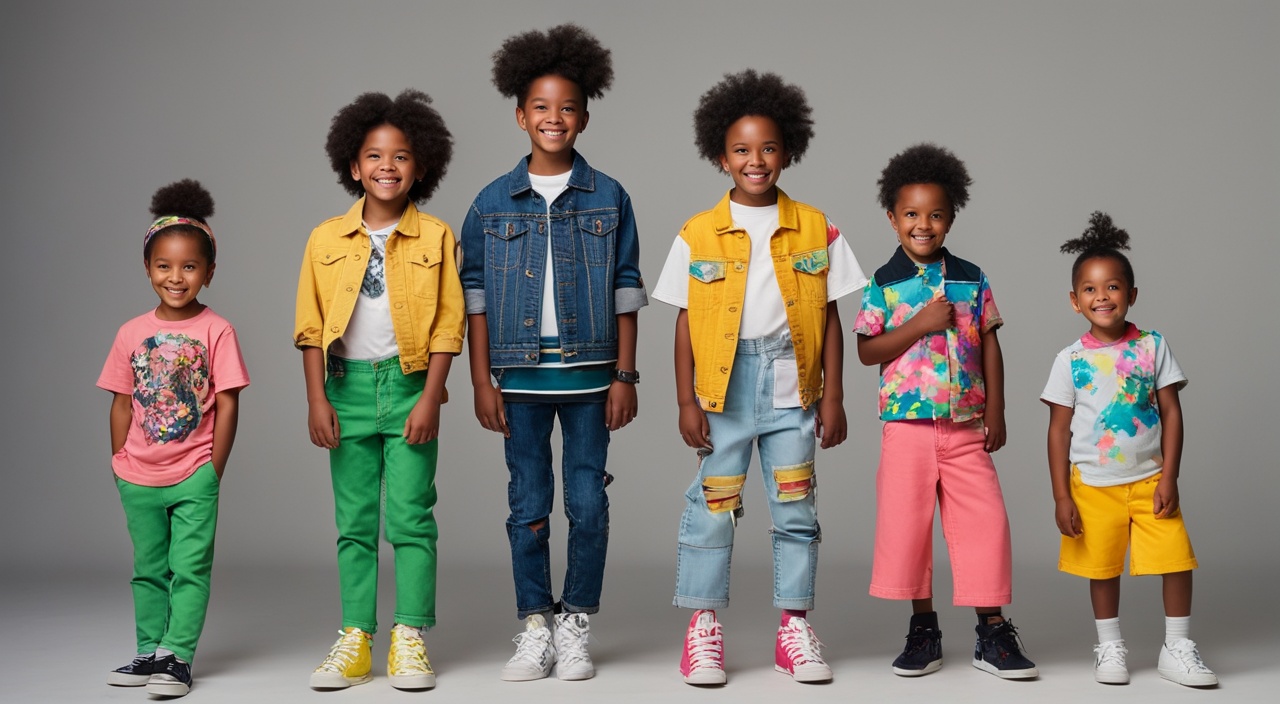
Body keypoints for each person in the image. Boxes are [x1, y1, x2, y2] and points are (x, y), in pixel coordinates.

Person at [652, 69, 867, 685]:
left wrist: (835, 398)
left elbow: (829, 318)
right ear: (721, 157)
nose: (756, 160)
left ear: (788, 152)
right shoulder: (696, 233)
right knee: (714, 502)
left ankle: (794, 626)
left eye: (768, 148)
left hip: (792, 382)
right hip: (722, 386)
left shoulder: (817, 227)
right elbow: (684, 323)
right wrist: (685, 402)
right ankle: (702, 628)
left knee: (796, 502)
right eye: (742, 150)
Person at [459, 23, 646, 682]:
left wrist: (624, 374)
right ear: (519, 115)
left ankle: (576, 623)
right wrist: (485, 381)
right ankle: (534, 623)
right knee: (528, 505)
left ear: (584, 115)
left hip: (592, 380)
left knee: (588, 503)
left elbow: (627, 291)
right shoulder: (489, 203)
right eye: (540, 107)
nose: (554, 118)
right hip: (519, 379)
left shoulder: (609, 196)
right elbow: (474, 299)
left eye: (566, 107)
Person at [295, 90, 463, 691]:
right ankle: (356, 637)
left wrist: (430, 398)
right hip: (345, 390)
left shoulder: (437, 237)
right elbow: (311, 328)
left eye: (401, 156)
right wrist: (318, 398)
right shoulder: (323, 240)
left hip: (411, 385)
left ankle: (410, 635)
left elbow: (449, 325)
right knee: (355, 521)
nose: (387, 166)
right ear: (353, 166)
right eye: (374, 156)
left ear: (422, 166)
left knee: (412, 518)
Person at [854, 143, 1036, 679]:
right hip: (907, 428)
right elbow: (867, 351)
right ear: (892, 219)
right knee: (908, 527)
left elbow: (991, 344)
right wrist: (918, 325)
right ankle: (923, 630)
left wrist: (996, 411)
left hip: (964, 425)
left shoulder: (972, 277)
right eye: (911, 214)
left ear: (951, 216)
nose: (923, 225)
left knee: (984, 523)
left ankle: (993, 631)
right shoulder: (883, 284)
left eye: (935, 214)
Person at [1041, 212, 1216, 686]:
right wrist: (1061, 495)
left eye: (1114, 287)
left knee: (1176, 560)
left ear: (1131, 295)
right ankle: (1110, 646)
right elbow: (1058, 431)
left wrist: (1171, 477)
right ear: (1075, 301)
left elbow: (1172, 413)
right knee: (1103, 567)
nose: (1103, 297)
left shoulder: (1153, 347)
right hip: (1093, 486)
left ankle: (1177, 647)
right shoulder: (1070, 360)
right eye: (1091, 289)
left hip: (1150, 481)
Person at [99, 180, 249, 697]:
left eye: (189, 266)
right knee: (147, 569)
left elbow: (228, 401)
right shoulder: (129, 332)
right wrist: (118, 460)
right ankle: (148, 651)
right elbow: (121, 400)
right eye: (164, 265)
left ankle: (178, 657)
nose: (176, 277)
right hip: (137, 474)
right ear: (147, 269)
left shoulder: (217, 330)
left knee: (189, 568)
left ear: (208, 272)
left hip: (193, 474)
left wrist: (214, 466)